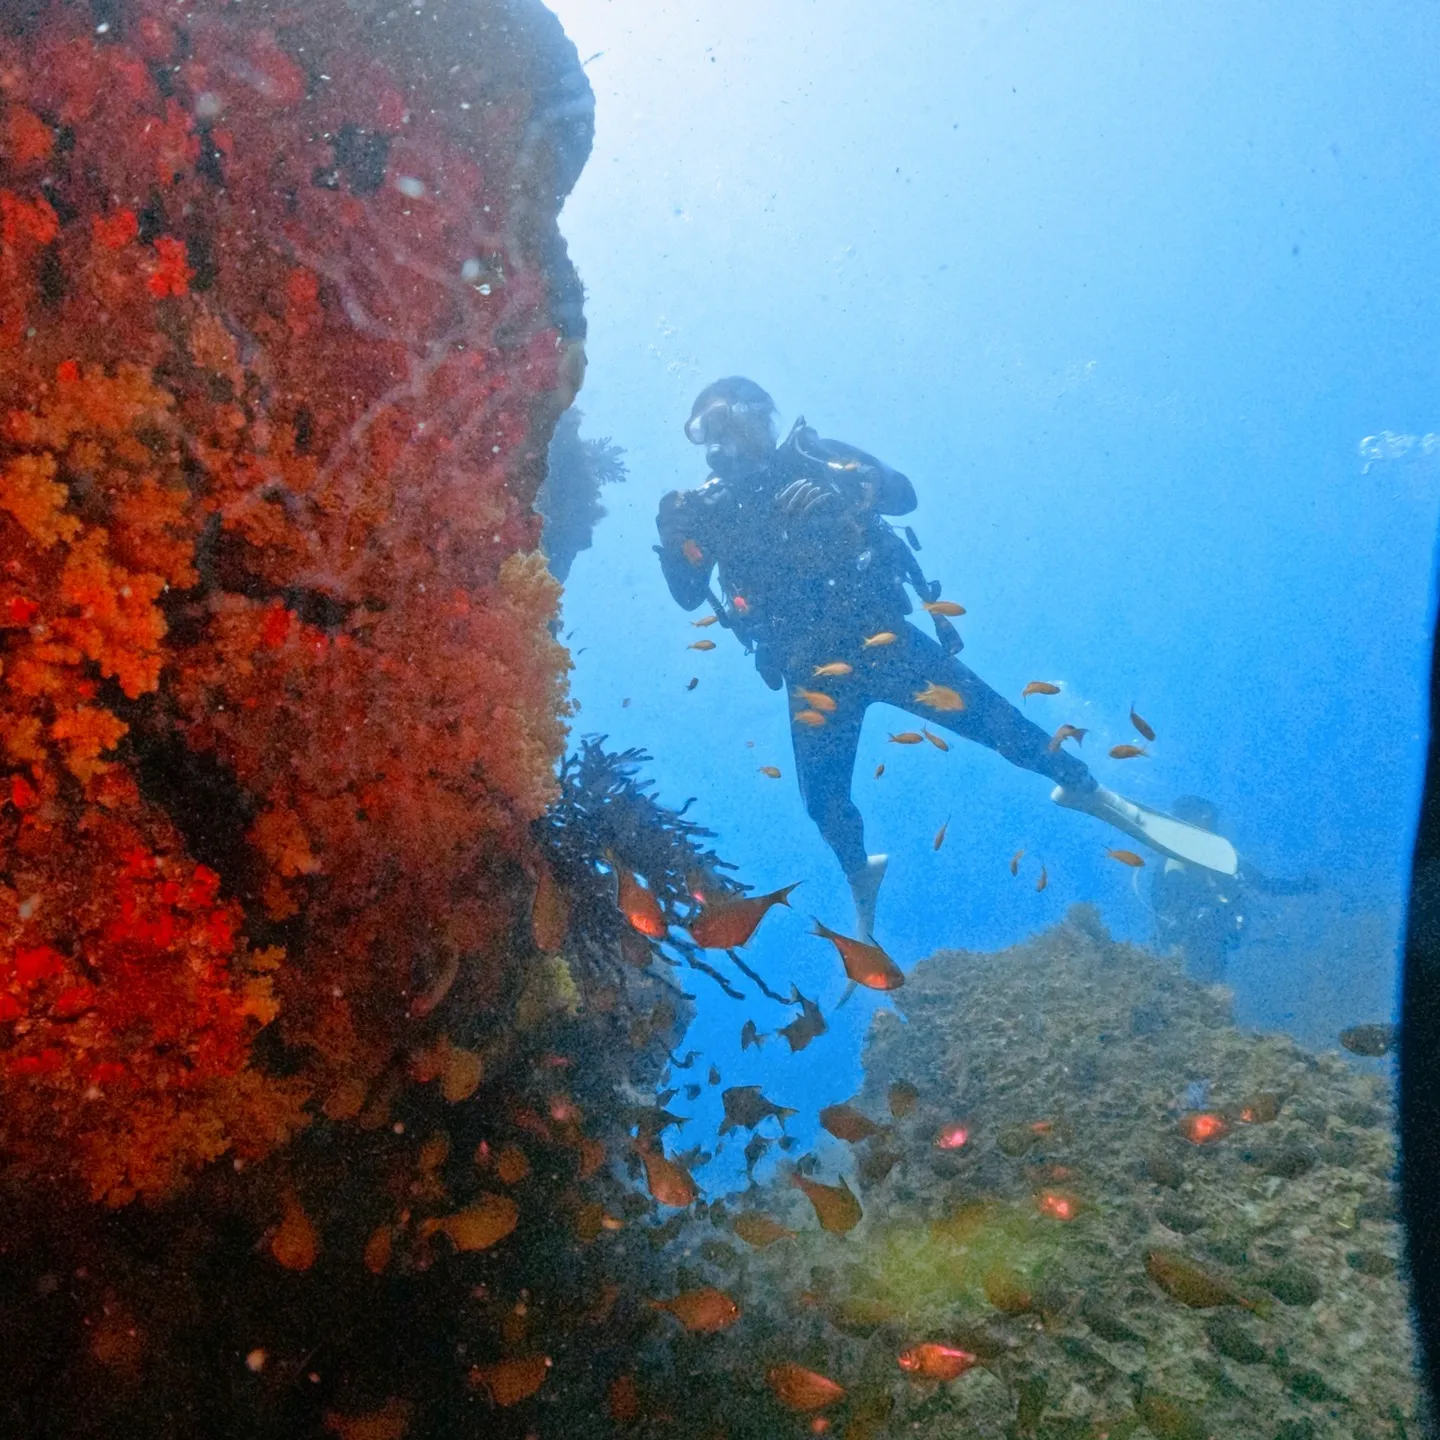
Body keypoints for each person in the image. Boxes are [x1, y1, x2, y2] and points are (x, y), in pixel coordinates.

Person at [654, 376, 1150, 939]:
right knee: (823, 802)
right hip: (810, 674)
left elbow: (905, 494)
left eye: (729, 421)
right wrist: (674, 540)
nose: (723, 441)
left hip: (882, 640)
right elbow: (689, 595)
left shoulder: (814, 456)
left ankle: (1084, 785)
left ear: (762, 415)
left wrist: (849, 491)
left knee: (998, 723)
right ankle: (859, 872)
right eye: (707, 432)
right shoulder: (706, 509)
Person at [1150, 795, 1315, 984]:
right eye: (1204, 818)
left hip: (1217, 932)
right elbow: (1164, 902)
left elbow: (1263, 884)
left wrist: (1303, 885)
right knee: (1200, 980)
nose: (1210, 824)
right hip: (1191, 936)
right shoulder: (1174, 859)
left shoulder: (1223, 853)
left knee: (1209, 979)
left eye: (1210, 819)